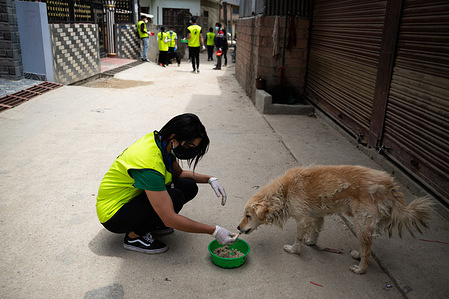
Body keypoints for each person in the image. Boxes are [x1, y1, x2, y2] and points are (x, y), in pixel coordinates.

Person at [96, 113, 238, 254]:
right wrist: (214, 231)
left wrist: (209, 179)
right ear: (174, 137)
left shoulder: (162, 142)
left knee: (188, 186)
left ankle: (152, 223)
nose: (191, 151)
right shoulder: (149, 164)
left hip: (130, 199)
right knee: (175, 197)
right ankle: (135, 237)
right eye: (189, 145)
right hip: (114, 214)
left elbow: (179, 174)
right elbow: (170, 219)